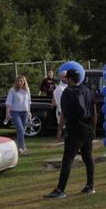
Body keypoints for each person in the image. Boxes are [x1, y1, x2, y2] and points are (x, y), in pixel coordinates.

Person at [45, 69, 96, 197]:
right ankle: (90, 186)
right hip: (88, 128)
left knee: (67, 159)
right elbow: (94, 112)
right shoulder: (87, 91)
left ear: (69, 79)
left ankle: (60, 189)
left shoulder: (67, 92)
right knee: (88, 157)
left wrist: (59, 129)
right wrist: (93, 128)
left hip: (74, 129)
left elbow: (64, 113)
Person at [5, 75, 31, 156]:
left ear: (24, 82)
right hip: (15, 112)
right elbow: (8, 102)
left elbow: (29, 102)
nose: (20, 82)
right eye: (18, 81)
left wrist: (29, 111)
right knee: (20, 130)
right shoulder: (12, 90)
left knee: (21, 131)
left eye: (21, 81)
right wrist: (7, 113)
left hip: (25, 112)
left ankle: (20, 148)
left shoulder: (27, 89)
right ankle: (22, 148)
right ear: (16, 82)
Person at [53, 70, 67, 141]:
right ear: (61, 78)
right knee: (62, 126)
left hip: (63, 111)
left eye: (66, 76)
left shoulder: (68, 86)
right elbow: (54, 102)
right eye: (64, 77)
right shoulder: (59, 88)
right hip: (62, 111)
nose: (65, 78)